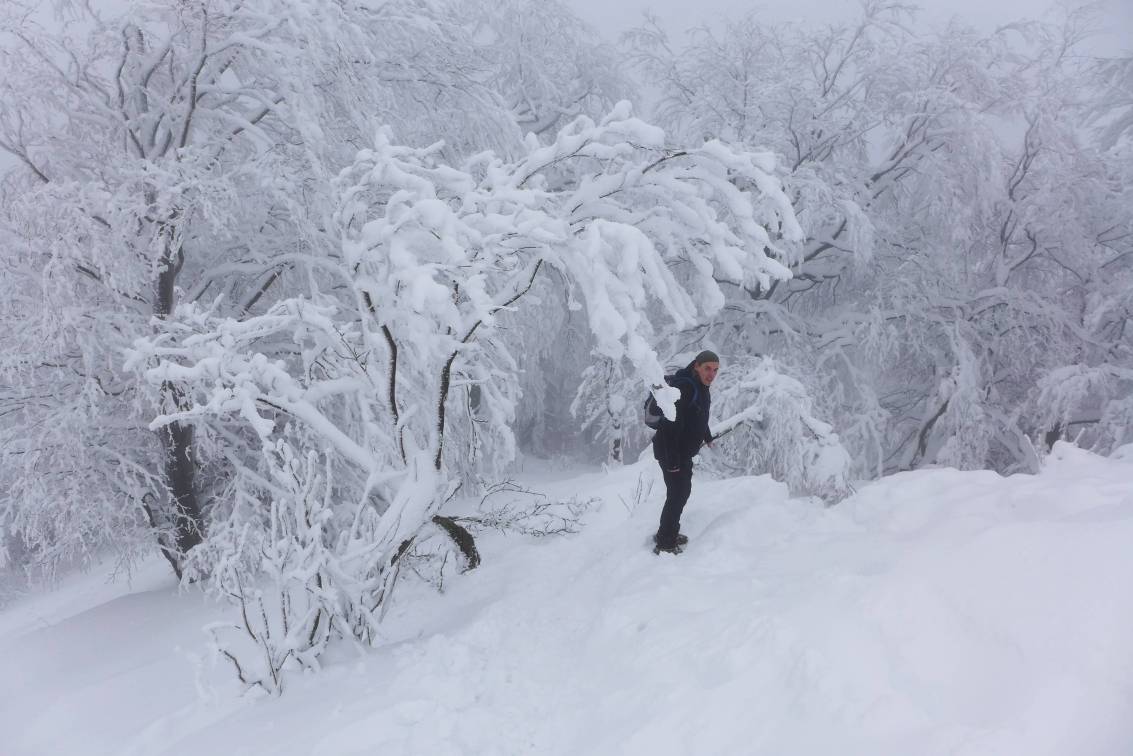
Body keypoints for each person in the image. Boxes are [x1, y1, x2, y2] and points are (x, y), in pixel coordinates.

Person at [651, 350, 719, 554]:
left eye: (715, 370)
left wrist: (706, 435)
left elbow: (697, 415)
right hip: (672, 452)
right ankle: (665, 542)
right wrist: (673, 461)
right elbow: (671, 426)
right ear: (696, 366)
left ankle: (668, 531)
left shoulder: (699, 386)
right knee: (678, 494)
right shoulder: (685, 387)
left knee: (680, 493)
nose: (711, 374)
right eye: (707, 368)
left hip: (681, 453)